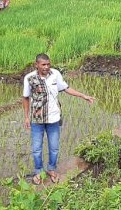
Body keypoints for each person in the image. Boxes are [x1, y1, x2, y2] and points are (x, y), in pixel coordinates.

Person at [23, 53, 96, 185]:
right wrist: (26, 117)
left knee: (54, 147)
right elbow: (25, 98)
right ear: (37, 65)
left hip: (54, 118)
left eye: (48, 64)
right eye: (43, 64)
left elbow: (66, 88)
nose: (46, 67)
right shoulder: (29, 78)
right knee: (37, 148)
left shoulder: (55, 74)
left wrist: (83, 96)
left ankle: (51, 169)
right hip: (37, 119)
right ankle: (39, 171)